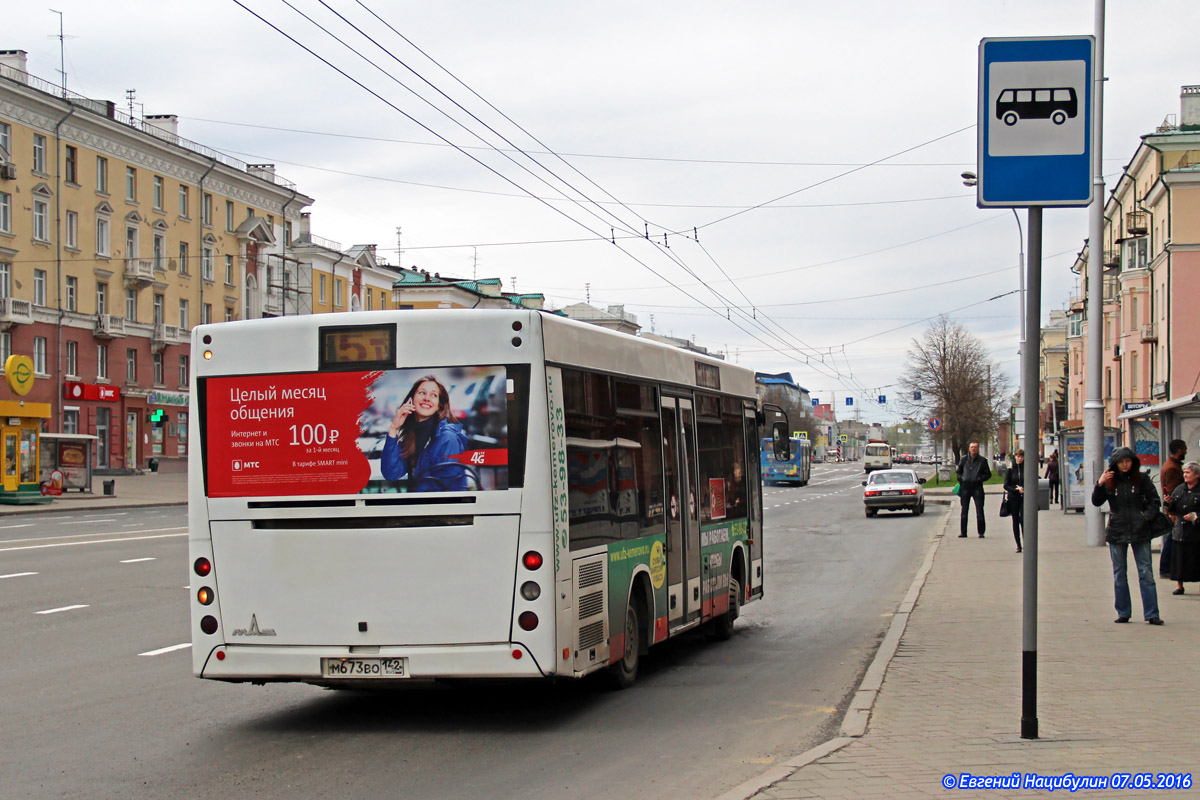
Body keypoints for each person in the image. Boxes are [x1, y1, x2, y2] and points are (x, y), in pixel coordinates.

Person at [1091, 447, 1163, 625]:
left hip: (1140, 530)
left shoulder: (1142, 479)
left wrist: (1145, 517)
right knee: (1119, 573)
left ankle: (1152, 613)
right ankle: (1123, 612)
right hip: (1117, 530)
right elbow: (1096, 501)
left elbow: (1155, 501)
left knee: (1146, 572)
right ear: (1115, 464)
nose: (1125, 464)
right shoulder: (1109, 480)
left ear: (1133, 462)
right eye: (1121, 461)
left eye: (1128, 461)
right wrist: (1100, 483)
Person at [380, 375, 468, 491]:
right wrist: (393, 429)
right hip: (419, 504)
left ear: (439, 406)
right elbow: (391, 473)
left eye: (433, 395)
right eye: (422, 393)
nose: (427, 398)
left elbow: (448, 489)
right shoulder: (411, 436)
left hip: (440, 506)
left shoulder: (447, 438)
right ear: (411, 400)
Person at [1164, 461, 1200, 596]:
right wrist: (1168, 503)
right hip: (1181, 531)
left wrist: (1195, 516)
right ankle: (1180, 586)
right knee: (1179, 559)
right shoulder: (1179, 489)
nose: (1185, 475)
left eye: (1188, 473)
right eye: (1184, 472)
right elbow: (1172, 507)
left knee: (1197, 558)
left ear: (1197, 475)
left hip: (1196, 532)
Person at [1159, 439, 1187, 579]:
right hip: (1175, 510)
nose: (1186, 451)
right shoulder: (1172, 468)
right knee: (1172, 538)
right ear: (1180, 450)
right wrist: (1172, 511)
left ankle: (1166, 568)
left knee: (1172, 537)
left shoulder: (1173, 465)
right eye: (1185, 448)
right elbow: (1172, 491)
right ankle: (1165, 569)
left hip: (1173, 509)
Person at [956, 442, 991, 538]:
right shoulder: (963, 459)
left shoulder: (982, 461)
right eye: (972, 447)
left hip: (977, 488)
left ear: (978, 448)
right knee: (964, 511)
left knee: (979, 511)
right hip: (965, 488)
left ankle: (981, 532)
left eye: (975, 447)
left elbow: (988, 474)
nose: (973, 449)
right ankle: (963, 532)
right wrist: (961, 478)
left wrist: (980, 479)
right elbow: (958, 472)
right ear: (969, 448)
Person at [1003, 449, 1027, 553]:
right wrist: (1016, 489)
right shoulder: (1010, 469)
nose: (1020, 458)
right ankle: (1018, 544)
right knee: (1015, 520)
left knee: (1024, 520)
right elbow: (1006, 485)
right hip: (1013, 498)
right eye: (1018, 456)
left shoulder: (1027, 469)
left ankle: (1027, 542)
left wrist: (1024, 489)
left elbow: (1034, 480)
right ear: (1015, 457)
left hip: (1025, 498)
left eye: (1022, 456)